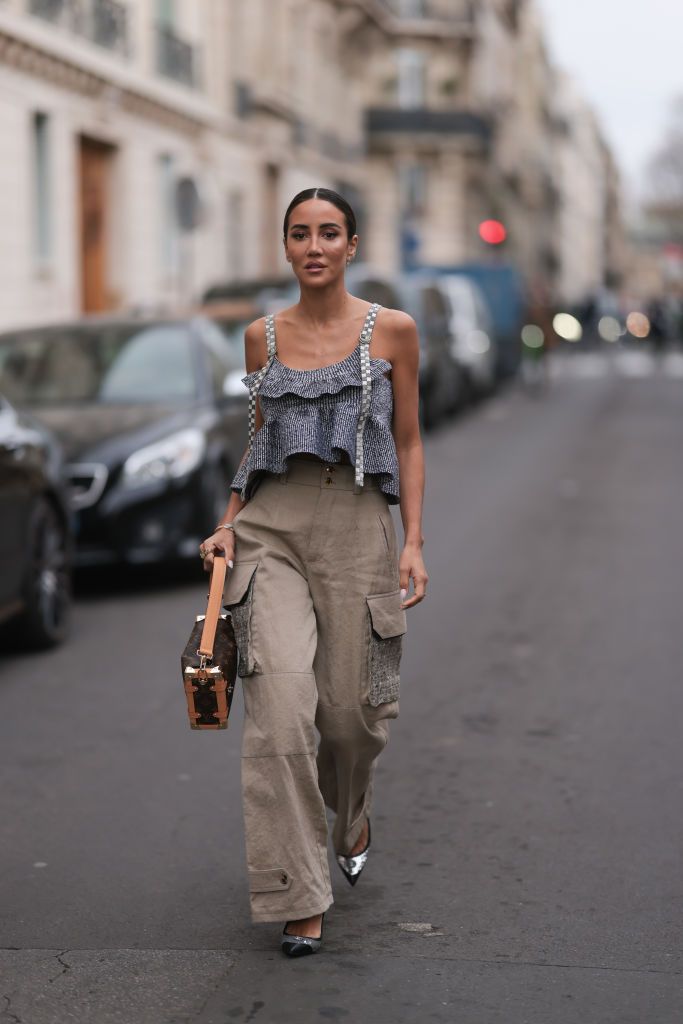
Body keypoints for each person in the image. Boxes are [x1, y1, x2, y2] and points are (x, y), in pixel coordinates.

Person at [198, 187, 427, 957]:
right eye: (300, 234)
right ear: (286, 247)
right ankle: (299, 893)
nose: (314, 245)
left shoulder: (391, 330)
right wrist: (228, 525)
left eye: (329, 232)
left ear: (352, 244)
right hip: (274, 530)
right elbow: (258, 441)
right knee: (283, 712)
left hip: (359, 519)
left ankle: (351, 810)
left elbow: (411, 440)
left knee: (351, 716)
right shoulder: (261, 337)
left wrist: (413, 540)